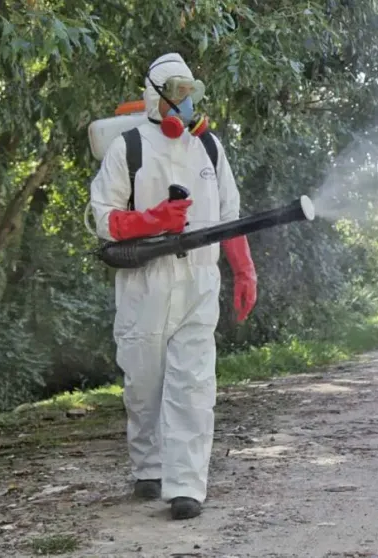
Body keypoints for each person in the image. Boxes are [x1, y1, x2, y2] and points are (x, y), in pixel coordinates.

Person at [89, 53, 257, 520]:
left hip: (199, 280)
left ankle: (185, 485)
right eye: (177, 94)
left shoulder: (209, 148)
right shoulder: (129, 148)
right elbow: (103, 219)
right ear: (155, 96)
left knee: (194, 384)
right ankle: (150, 466)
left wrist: (244, 271)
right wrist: (153, 220)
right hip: (145, 280)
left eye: (190, 94)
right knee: (144, 383)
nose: (185, 104)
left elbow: (230, 216)